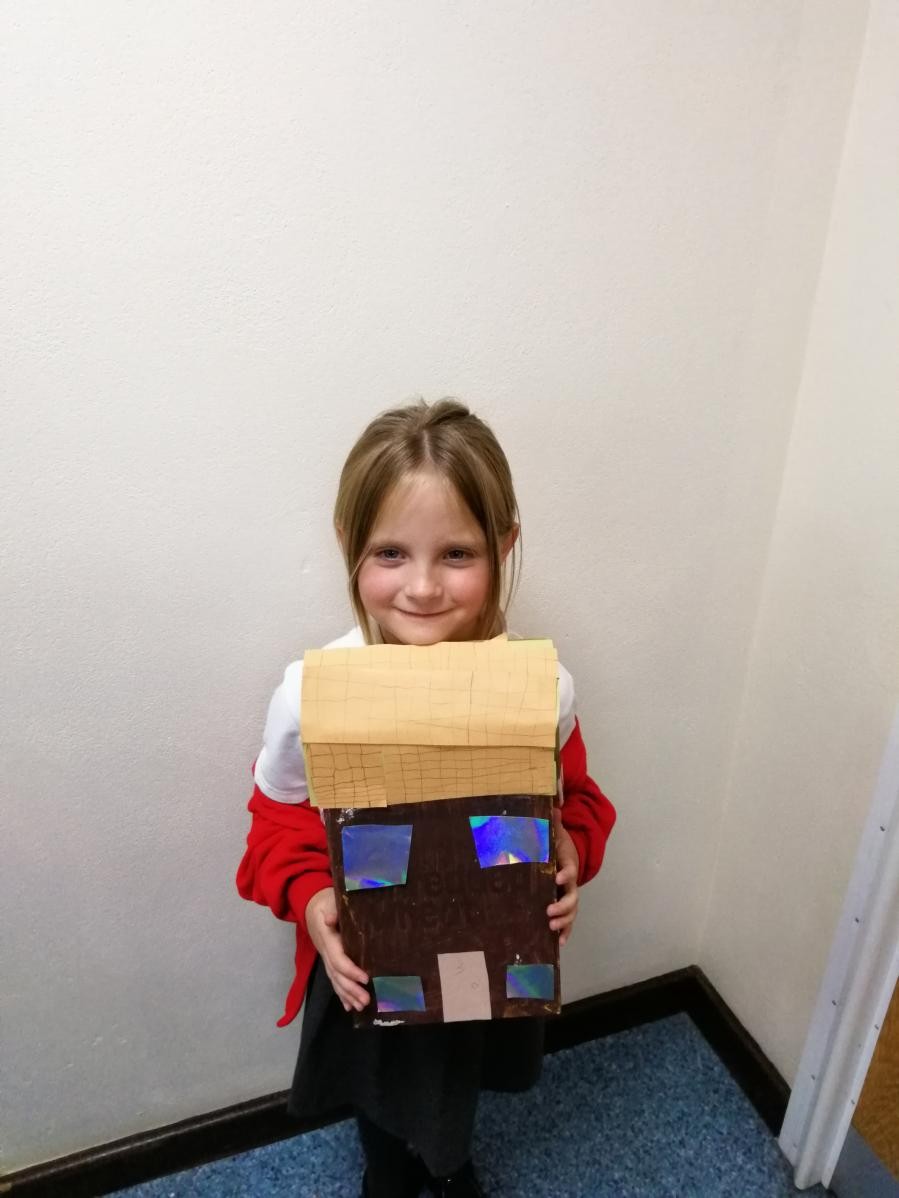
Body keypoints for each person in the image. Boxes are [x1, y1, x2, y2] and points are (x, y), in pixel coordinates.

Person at [236, 398, 616, 1197]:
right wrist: (312, 899)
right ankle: (388, 1170)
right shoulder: (312, 695)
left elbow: (576, 798)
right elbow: (273, 827)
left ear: (502, 546)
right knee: (379, 1079)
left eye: (456, 554)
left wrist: (569, 849)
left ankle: (447, 1160)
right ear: (348, 544)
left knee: (458, 1072)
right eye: (389, 553)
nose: (421, 587)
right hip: (371, 954)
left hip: (487, 944)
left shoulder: (538, 688)